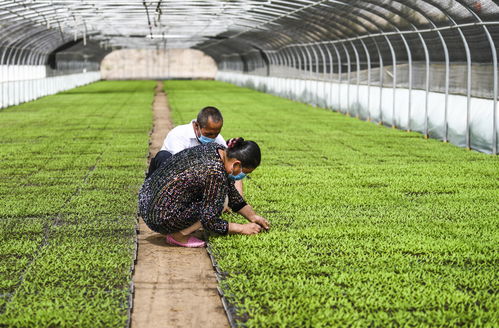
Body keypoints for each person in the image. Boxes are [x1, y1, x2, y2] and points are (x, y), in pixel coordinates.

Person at [138, 138, 270, 248]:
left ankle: (176, 227)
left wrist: (253, 216)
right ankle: (178, 236)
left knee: (217, 195)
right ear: (236, 165)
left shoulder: (216, 149)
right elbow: (209, 220)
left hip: (146, 200)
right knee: (216, 205)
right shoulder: (215, 172)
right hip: (158, 217)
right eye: (245, 172)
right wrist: (242, 228)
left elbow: (231, 191)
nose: (243, 175)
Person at [146, 106, 226, 178]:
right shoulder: (178, 134)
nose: (212, 137)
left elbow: (228, 162)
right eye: (208, 134)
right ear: (196, 126)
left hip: (197, 180)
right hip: (173, 177)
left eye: (216, 133)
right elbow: (181, 166)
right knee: (163, 156)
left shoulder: (218, 139)